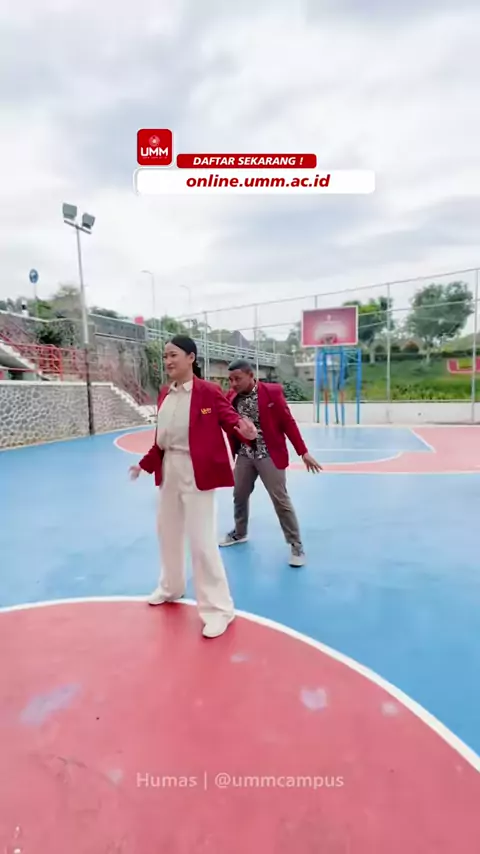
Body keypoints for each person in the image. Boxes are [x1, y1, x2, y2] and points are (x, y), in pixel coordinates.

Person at [129, 336, 257, 638]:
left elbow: (230, 420)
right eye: (165, 356)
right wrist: (144, 465)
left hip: (197, 472)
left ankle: (219, 610)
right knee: (168, 533)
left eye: (173, 355)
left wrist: (246, 431)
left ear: (191, 357)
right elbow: (161, 440)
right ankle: (171, 587)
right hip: (169, 471)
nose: (168, 361)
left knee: (201, 542)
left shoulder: (208, 392)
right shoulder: (165, 393)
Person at [220, 359, 322, 566]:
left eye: (237, 379)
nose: (233, 384)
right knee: (239, 495)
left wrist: (303, 452)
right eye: (230, 380)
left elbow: (288, 423)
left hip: (269, 455)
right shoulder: (231, 397)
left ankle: (296, 545)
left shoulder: (272, 393)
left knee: (280, 500)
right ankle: (240, 532)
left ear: (251, 376)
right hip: (245, 455)